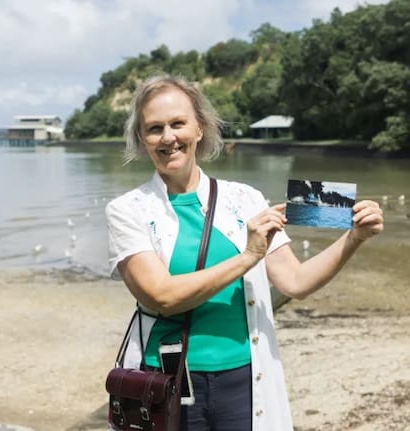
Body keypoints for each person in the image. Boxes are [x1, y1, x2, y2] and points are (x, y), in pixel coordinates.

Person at [105, 74, 384, 431]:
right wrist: (249, 255)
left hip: (246, 377)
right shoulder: (128, 209)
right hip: (166, 382)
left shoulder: (245, 198)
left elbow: (295, 281)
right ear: (143, 141)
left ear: (200, 128)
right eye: (155, 128)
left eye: (178, 123)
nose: (168, 137)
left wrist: (354, 237)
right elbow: (162, 296)